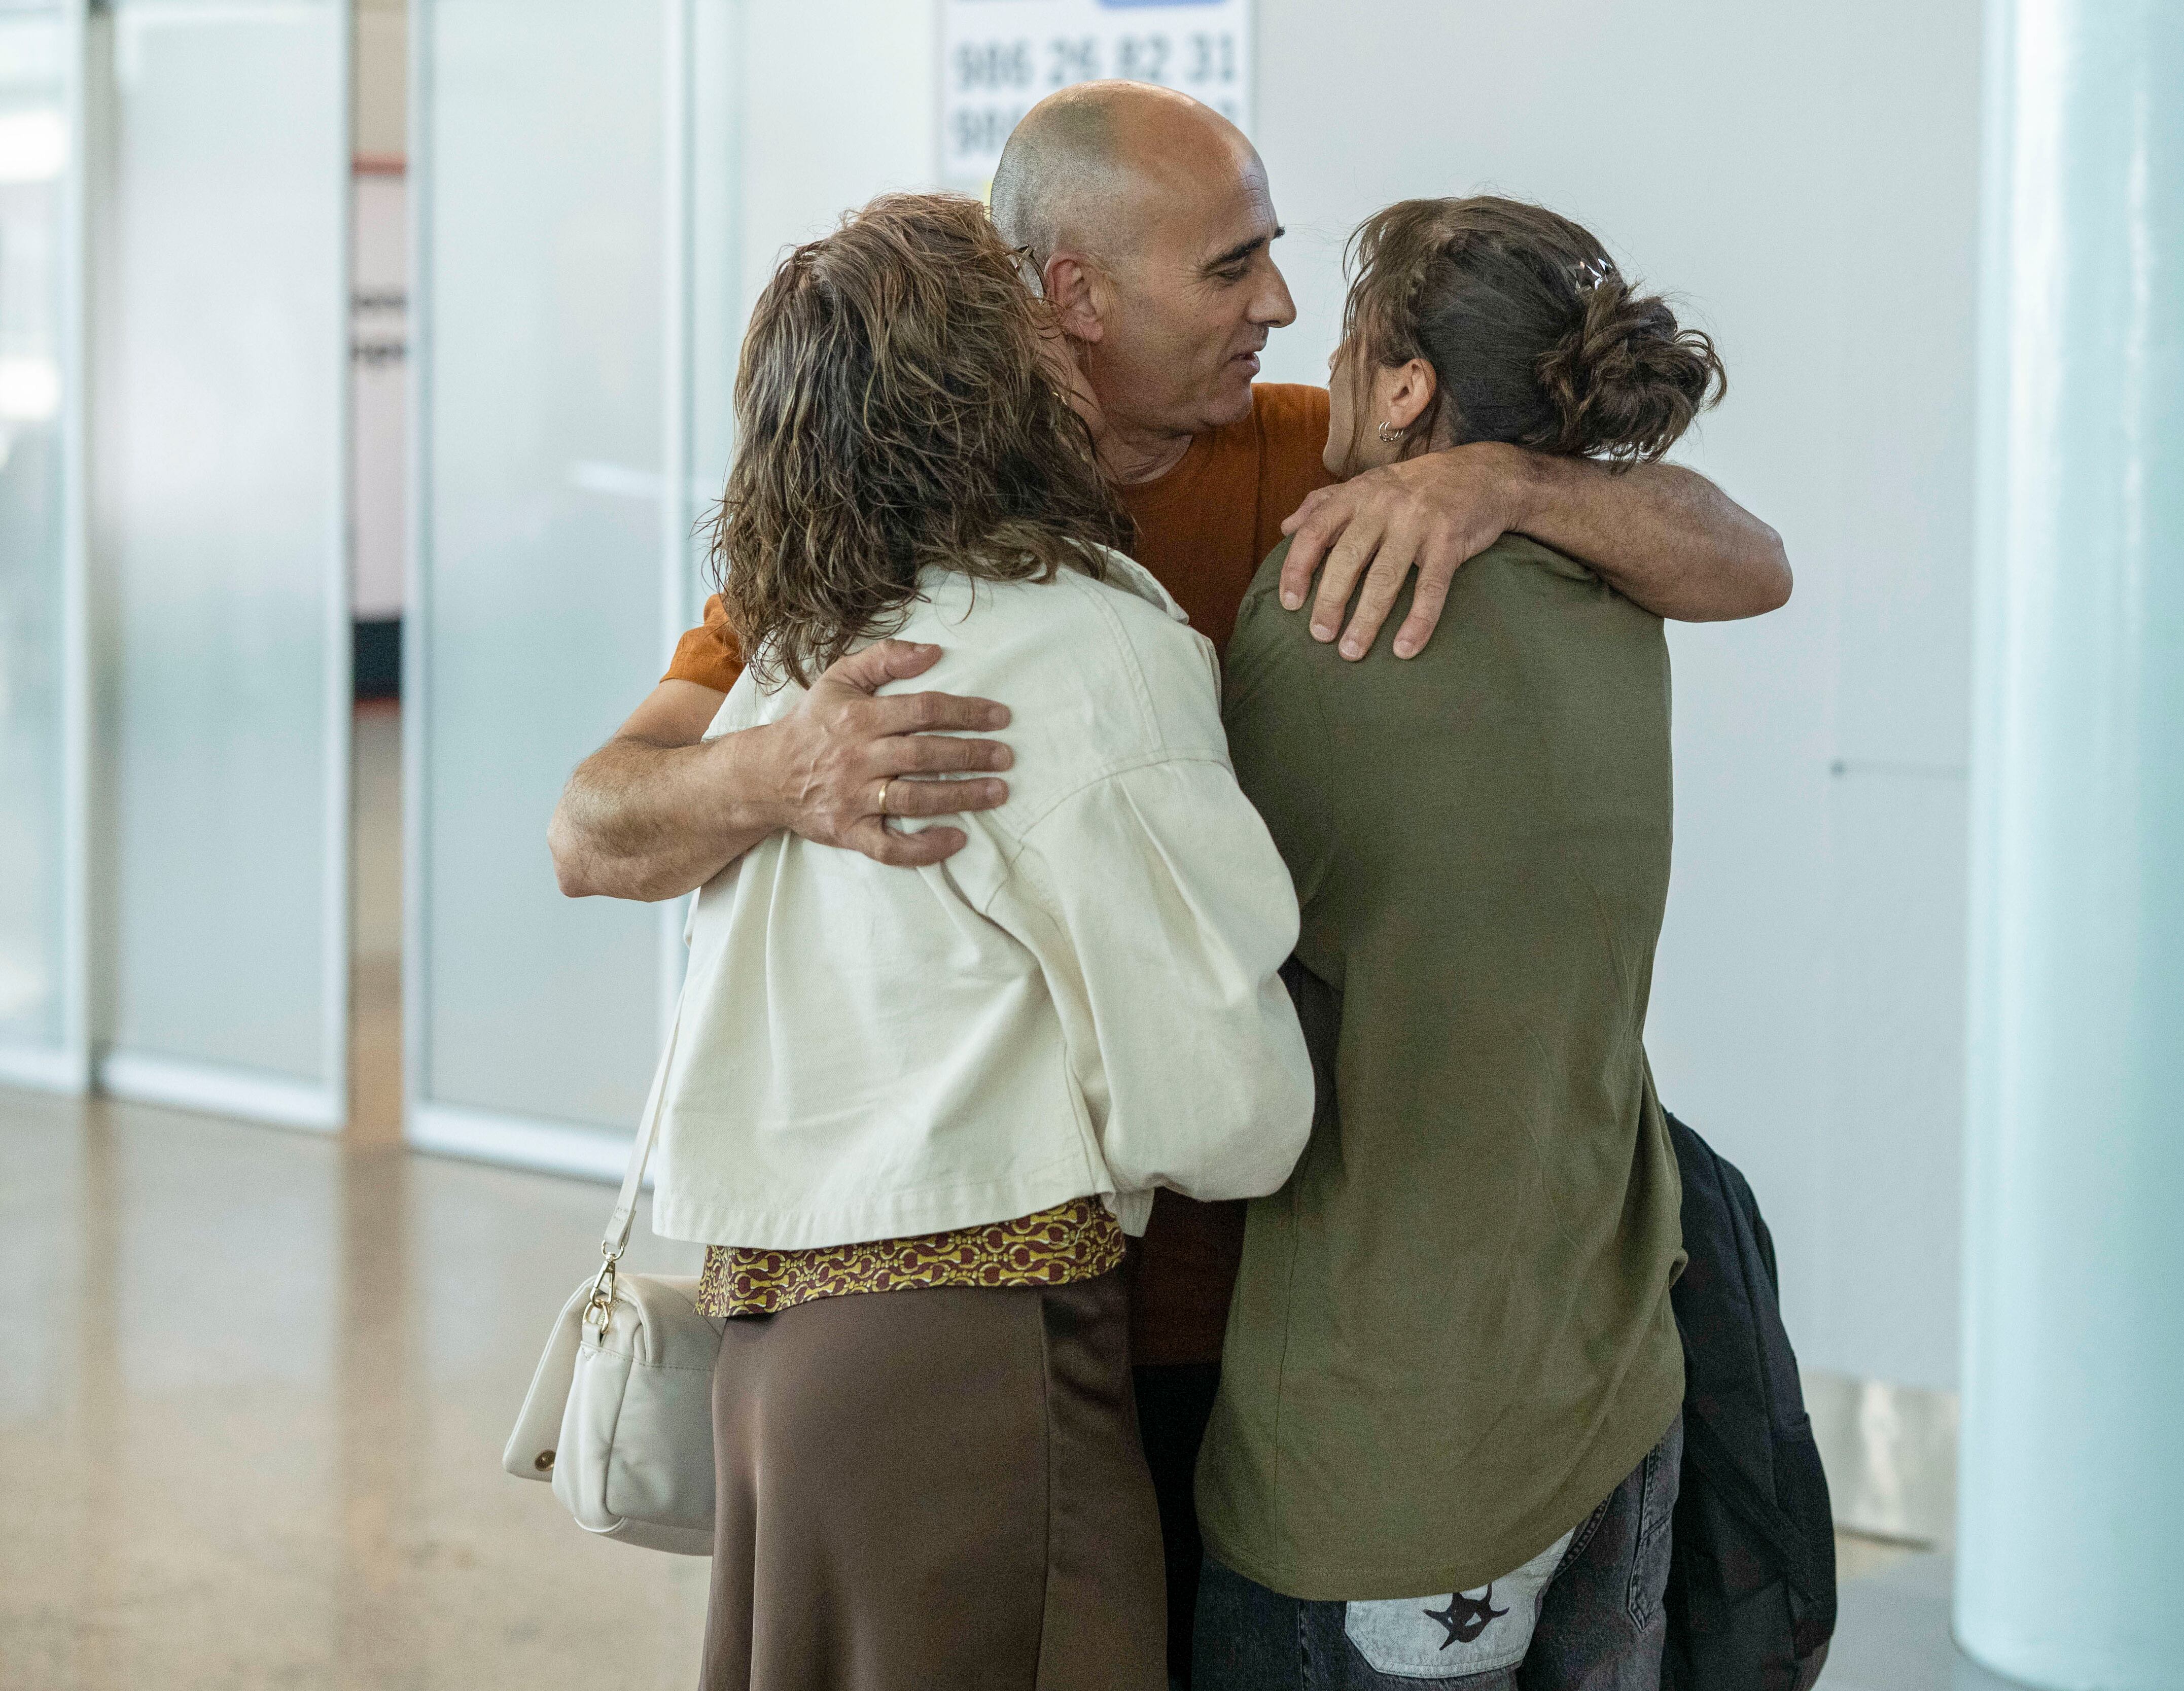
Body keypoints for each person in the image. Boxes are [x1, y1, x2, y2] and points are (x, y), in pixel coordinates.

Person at [548, 82, 1791, 1679]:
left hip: (1257, 1320)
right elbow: (595, 831)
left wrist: (1501, 480)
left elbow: (1744, 559)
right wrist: (781, 772)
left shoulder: (1312, 461)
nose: (1274, 305)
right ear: (1074, 299)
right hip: (1045, 1326)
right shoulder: (869, 576)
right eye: (1230, 267)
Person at [644, 191, 1312, 1690]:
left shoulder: (799, 661)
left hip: (770, 1362)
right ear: (1005, 386)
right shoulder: (1085, 644)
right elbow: (1222, 1106)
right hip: (970, 1361)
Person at [1194, 196, 1711, 1689]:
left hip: (1385, 1431)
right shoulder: (1622, 596)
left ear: (1408, 382)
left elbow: (1198, 972)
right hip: (1609, 1364)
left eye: (1356, 343)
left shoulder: (1320, 614)